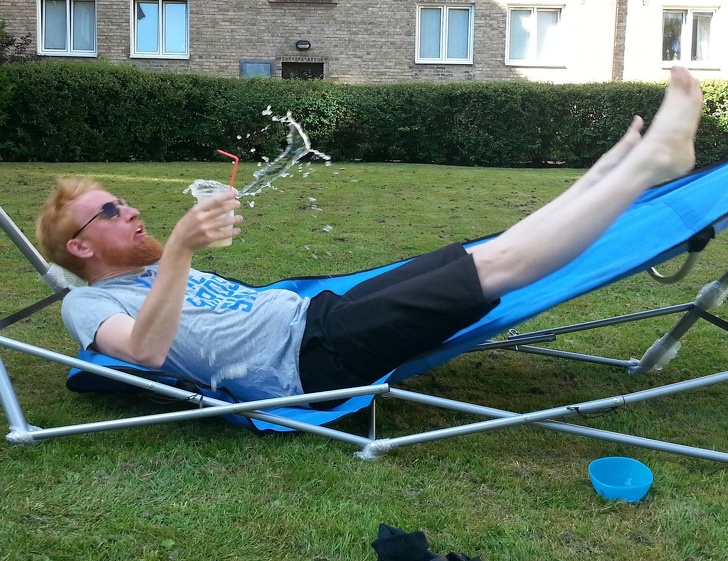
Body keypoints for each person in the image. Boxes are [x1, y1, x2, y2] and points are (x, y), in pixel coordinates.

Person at [36, 66, 704, 406]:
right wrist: (182, 246)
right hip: (309, 362)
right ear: (81, 247)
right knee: (497, 267)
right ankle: (649, 166)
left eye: (122, 200)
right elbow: (146, 351)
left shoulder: (149, 273)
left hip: (317, 315)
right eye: (110, 210)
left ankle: (613, 172)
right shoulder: (88, 304)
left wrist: (178, 254)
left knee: (481, 253)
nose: (131, 210)